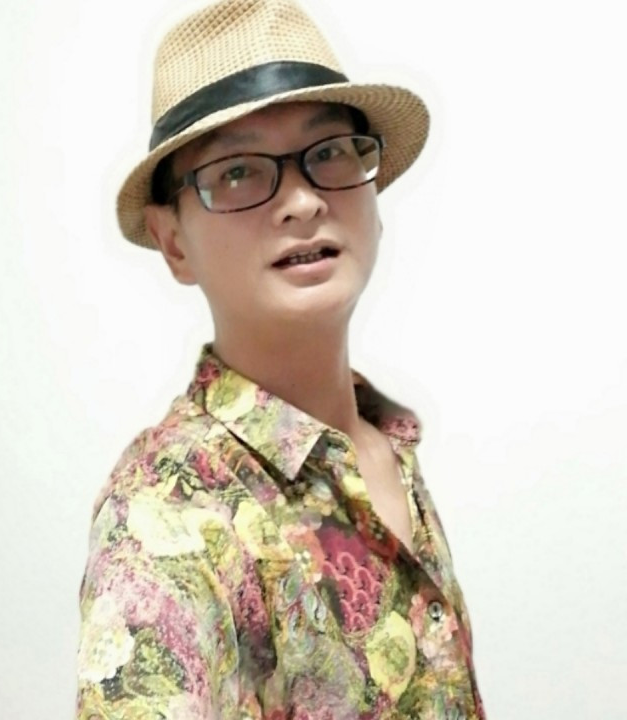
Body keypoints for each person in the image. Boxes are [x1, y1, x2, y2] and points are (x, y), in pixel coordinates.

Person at [76, 0, 485, 717]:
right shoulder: (168, 511)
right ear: (173, 242)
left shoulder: (385, 442)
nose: (301, 201)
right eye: (238, 171)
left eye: (328, 153)